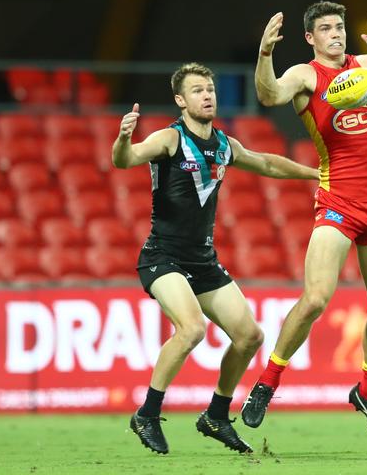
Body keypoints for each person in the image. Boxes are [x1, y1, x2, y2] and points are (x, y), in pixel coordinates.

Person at [240, 1, 367, 443]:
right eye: (325, 29)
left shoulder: (366, 66)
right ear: (311, 38)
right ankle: (265, 384)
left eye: (339, 27)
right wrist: (265, 55)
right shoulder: (306, 76)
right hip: (338, 200)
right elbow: (269, 95)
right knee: (317, 298)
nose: (335, 35)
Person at [112, 62, 318, 455]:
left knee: (250, 336)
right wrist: (123, 139)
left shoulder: (225, 145)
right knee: (191, 330)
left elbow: (269, 163)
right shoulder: (169, 139)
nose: (207, 96)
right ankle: (147, 414)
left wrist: (318, 173)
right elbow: (125, 160)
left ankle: (216, 416)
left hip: (202, 261)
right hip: (162, 257)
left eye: (210, 89)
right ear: (180, 100)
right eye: (197, 91)